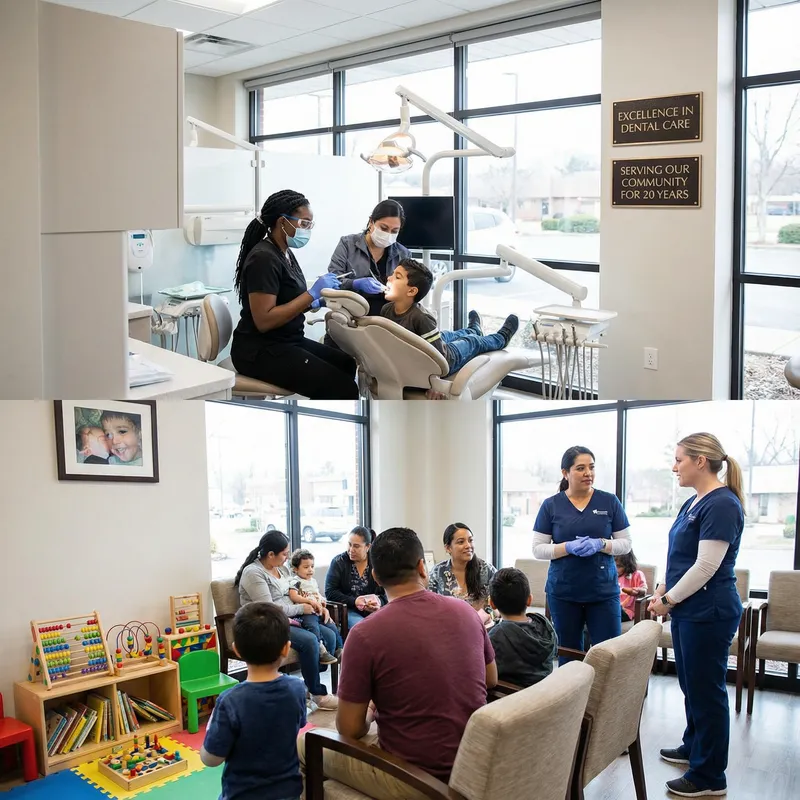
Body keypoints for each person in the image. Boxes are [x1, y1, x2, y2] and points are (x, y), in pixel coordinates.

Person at [298, 527, 497, 800]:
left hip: (414, 778)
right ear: (422, 567)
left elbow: (350, 729)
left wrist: (371, 706)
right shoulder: (467, 612)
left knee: (302, 744)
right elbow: (490, 680)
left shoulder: (364, 634)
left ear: (377, 577)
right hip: (475, 764)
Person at [648, 433, 745, 799]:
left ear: (700, 461)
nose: (675, 467)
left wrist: (668, 600)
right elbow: (682, 556)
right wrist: (661, 588)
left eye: (679, 460)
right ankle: (695, 748)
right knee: (693, 687)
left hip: (710, 612)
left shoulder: (722, 504)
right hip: (692, 611)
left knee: (707, 691)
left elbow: (706, 566)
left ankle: (709, 776)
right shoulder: (694, 501)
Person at [230, 189, 359, 399]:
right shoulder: (264, 258)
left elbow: (288, 299)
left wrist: (319, 301)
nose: (308, 229)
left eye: (310, 224)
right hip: (260, 351)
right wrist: (310, 294)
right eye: (304, 223)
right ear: (283, 222)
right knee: (344, 388)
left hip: (287, 340)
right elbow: (264, 320)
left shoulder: (284, 252)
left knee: (346, 363)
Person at [532, 445, 632, 661]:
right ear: (565, 473)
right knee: (569, 655)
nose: (588, 473)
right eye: (580, 468)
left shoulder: (609, 501)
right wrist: (566, 547)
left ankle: (607, 697)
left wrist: (602, 544)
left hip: (603, 592)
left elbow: (626, 544)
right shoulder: (551, 505)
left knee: (609, 656)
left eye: (591, 467)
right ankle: (575, 696)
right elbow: (538, 549)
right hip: (564, 592)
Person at [201, 602, 306, 800]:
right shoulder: (297, 688)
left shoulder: (229, 701)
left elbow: (211, 759)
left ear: (236, 651)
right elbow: (296, 726)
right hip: (288, 793)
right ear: (286, 649)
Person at [235, 530, 338, 710]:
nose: (287, 557)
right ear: (271, 554)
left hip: (292, 617)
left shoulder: (281, 568)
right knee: (310, 641)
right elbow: (268, 608)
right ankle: (318, 693)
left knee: (329, 635)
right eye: (284, 553)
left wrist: (313, 601)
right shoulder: (253, 573)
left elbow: (295, 591)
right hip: (267, 623)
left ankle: (308, 686)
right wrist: (301, 608)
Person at [381, 258, 519, 377]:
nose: (389, 278)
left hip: (447, 359)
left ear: (412, 291)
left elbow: (439, 358)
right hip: (427, 354)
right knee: (446, 335)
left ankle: (501, 338)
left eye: (397, 277)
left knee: (473, 342)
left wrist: (435, 380)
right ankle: (474, 330)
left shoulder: (422, 318)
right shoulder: (386, 310)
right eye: (393, 274)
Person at [327, 199, 410, 318]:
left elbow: (407, 291)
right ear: (371, 222)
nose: (388, 234)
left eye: (394, 231)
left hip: (387, 320)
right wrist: (354, 284)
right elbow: (332, 282)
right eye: (384, 228)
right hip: (350, 317)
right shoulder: (347, 245)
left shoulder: (403, 254)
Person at [487, 567, 558, 688]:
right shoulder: (544, 623)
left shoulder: (496, 636)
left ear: (492, 603)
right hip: (545, 694)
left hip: (511, 699)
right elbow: (555, 651)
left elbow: (487, 674)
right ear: (529, 600)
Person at [428, 523, 498, 627]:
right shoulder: (438, 572)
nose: (468, 545)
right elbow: (430, 608)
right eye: (461, 542)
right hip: (450, 630)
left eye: (470, 540)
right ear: (448, 548)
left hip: (484, 630)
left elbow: (501, 606)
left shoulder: (487, 570)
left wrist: (488, 615)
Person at [325, 526, 386, 632]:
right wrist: (354, 601)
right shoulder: (338, 562)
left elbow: (387, 591)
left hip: (374, 610)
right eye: (349, 544)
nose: (351, 550)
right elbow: (330, 592)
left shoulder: (377, 563)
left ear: (367, 547)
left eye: (356, 546)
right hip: (348, 610)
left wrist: (378, 602)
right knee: (365, 628)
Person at [287, 548, 342, 661]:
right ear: (296, 569)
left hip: (318, 611)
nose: (310, 570)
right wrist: (309, 601)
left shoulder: (313, 581)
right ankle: (320, 647)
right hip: (306, 612)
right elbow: (293, 596)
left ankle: (340, 649)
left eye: (312, 566)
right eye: (306, 567)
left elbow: (318, 595)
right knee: (313, 627)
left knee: (332, 625)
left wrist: (322, 601)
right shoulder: (295, 581)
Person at [616, 550, 648, 622]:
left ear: (628, 565)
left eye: (619, 566)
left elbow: (644, 590)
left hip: (626, 611)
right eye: (613, 565)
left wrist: (637, 591)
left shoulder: (637, 575)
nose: (615, 569)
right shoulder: (611, 575)